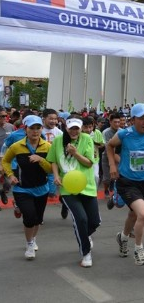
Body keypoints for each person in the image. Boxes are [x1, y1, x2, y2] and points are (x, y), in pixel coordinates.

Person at [107, 103, 144, 266]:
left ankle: (123, 237)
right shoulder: (125, 134)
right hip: (127, 182)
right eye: (141, 119)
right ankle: (138, 250)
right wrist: (112, 165)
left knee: (134, 214)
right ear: (133, 120)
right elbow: (110, 146)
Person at [47, 116, 100, 268]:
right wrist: (56, 176)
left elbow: (89, 163)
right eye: (71, 128)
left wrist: (75, 153)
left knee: (95, 221)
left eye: (77, 128)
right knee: (81, 219)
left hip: (87, 186)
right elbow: (53, 161)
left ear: (81, 128)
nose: (74, 131)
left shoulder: (87, 139)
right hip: (67, 188)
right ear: (66, 128)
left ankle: (83, 234)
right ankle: (86, 253)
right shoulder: (58, 141)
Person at [1, 115, 51, 260]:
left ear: (41, 129)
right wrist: (10, 175)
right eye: (32, 128)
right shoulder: (17, 146)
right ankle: (29, 243)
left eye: (38, 128)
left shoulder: (48, 146)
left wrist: (40, 159)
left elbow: (50, 169)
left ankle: (33, 239)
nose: (35, 131)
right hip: (22, 188)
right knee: (29, 217)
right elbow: (5, 161)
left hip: (42, 188)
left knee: (38, 219)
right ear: (25, 129)